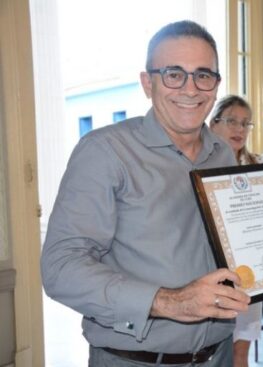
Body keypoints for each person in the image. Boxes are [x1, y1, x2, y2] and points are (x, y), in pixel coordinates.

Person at [41, 20, 251, 366]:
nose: (190, 89)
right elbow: (61, 268)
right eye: (173, 74)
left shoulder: (222, 154)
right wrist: (170, 302)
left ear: (215, 85)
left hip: (219, 355)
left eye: (203, 75)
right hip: (136, 359)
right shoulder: (106, 151)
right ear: (146, 83)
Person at [208, 94, 263, 367]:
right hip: (211, 273)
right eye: (232, 121)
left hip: (248, 273)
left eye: (246, 124)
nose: (240, 129)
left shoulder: (257, 170)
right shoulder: (198, 170)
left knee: (240, 352)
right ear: (213, 124)